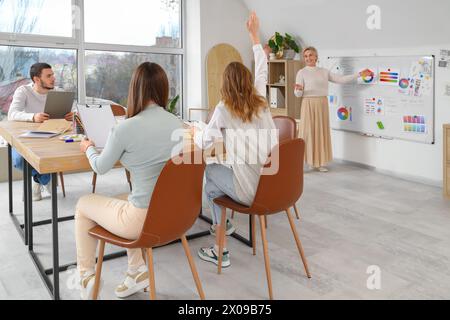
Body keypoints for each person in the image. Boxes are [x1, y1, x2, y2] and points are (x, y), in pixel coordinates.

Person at [76, 62, 182, 300]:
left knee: (84, 204)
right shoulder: (176, 123)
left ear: (135, 89)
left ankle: (86, 277)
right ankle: (137, 271)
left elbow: (100, 167)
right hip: (173, 215)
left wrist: (88, 148)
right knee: (123, 199)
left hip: (141, 221)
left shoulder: (124, 129)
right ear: (163, 89)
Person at [194, 12, 278, 268]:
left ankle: (220, 247)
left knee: (210, 180)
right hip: (275, 187)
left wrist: (197, 130)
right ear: (248, 81)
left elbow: (204, 145)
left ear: (226, 84)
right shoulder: (260, 98)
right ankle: (225, 226)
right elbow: (262, 65)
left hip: (250, 191)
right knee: (222, 174)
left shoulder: (223, 108)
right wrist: (254, 35)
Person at [294, 47, 373, 172]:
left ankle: (319, 163)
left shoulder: (324, 71)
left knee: (320, 132)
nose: (308, 58)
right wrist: (298, 90)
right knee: (307, 132)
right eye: (306, 56)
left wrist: (359, 74)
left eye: (310, 55)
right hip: (308, 103)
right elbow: (298, 94)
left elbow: (341, 79)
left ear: (316, 57)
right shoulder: (301, 72)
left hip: (322, 103)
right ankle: (305, 162)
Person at [8, 63, 74, 201]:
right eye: (49, 76)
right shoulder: (23, 91)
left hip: (52, 137)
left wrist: (70, 116)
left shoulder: (58, 92)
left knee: (56, 155)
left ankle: (37, 181)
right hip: (25, 137)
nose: (53, 78)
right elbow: (12, 114)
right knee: (19, 161)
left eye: (53, 75)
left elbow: (69, 115)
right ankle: (45, 179)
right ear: (37, 79)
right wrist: (33, 117)